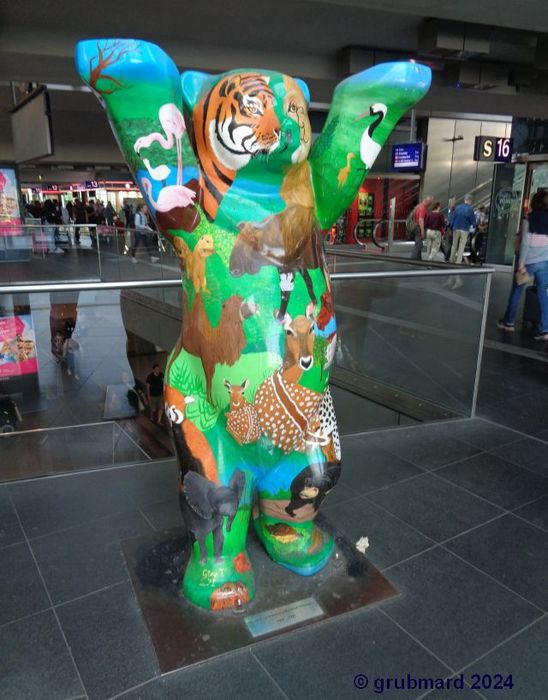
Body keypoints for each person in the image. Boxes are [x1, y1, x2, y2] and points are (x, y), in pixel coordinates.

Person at [498, 189, 548, 341]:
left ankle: (509, 322)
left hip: (529, 261)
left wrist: (521, 264)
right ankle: (545, 329)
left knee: (517, 290)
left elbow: (526, 243)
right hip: (544, 262)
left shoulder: (529, 219)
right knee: (543, 294)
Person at [450, 194, 476, 265]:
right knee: (462, 245)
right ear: (470, 201)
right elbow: (472, 220)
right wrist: (474, 225)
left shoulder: (457, 207)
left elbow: (453, 217)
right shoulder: (470, 209)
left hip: (456, 227)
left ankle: (451, 259)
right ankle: (458, 261)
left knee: (454, 244)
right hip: (464, 229)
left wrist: (451, 227)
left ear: (464, 200)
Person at [411, 195, 433, 260]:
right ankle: (413, 260)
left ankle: (418, 259)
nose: (430, 205)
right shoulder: (423, 208)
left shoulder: (419, 206)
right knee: (418, 245)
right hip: (419, 228)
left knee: (419, 244)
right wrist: (422, 231)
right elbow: (421, 220)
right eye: (430, 203)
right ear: (427, 202)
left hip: (416, 227)